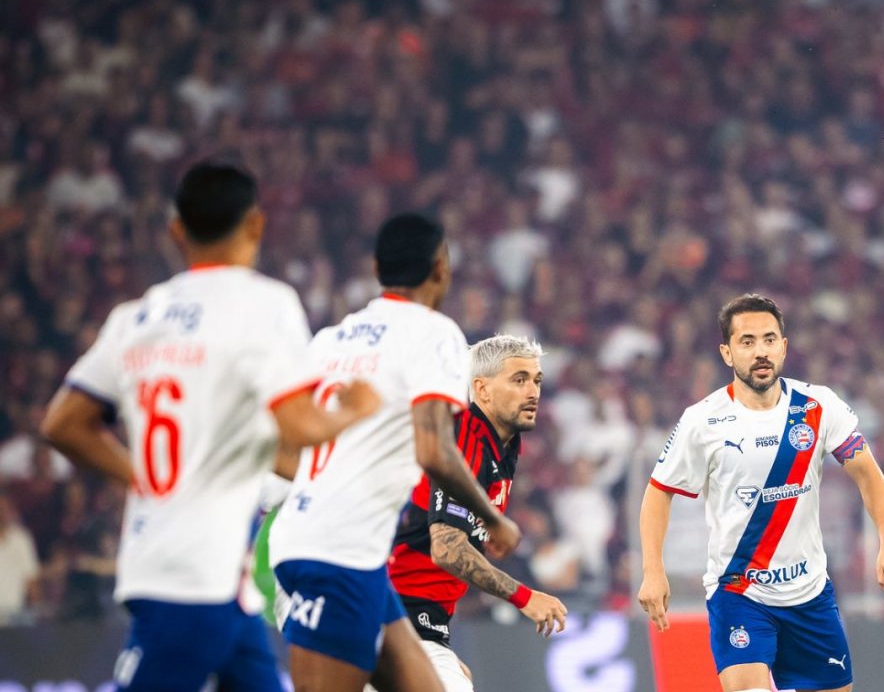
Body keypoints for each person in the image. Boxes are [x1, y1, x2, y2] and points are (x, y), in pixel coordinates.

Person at [39, 161, 380, 690]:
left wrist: (143, 476)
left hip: (192, 567)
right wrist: (355, 409)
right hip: (194, 580)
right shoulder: (263, 304)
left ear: (176, 230)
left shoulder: (136, 318)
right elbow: (298, 427)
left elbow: (64, 423)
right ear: (256, 225)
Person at [268, 212, 522, 692]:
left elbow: (279, 448)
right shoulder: (434, 334)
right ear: (440, 269)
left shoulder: (329, 340)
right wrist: (491, 517)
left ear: (376, 266)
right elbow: (434, 449)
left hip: (344, 548)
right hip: (334, 552)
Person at [637, 293, 884, 692]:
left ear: (783, 347)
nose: (760, 351)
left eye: (768, 339)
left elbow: (869, 475)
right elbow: (658, 494)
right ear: (727, 353)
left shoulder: (819, 406)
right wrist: (653, 571)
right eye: (747, 342)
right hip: (739, 592)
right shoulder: (703, 421)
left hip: (810, 593)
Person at [387, 334, 569, 690]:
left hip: (414, 624)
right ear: (481, 390)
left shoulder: (504, 447)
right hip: (390, 616)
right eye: (519, 380)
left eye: (536, 380)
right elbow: (446, 547)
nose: (532, 391)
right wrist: (524, 597)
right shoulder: (466, 438)